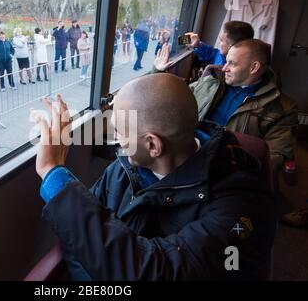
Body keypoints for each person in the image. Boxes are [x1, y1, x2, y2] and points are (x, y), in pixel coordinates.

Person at [30, 74, 277, 280]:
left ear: (152, 145)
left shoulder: (241, 208)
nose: (118, 141)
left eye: (120, 132)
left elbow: (156, 272)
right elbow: (83, 237)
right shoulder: (124, 168)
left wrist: (53, 173)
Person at [153, 39, 298, 173]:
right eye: (226, 61)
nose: (224, 68)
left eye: (232, 63)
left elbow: (272, 158)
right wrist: (158, 71)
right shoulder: (211, 81)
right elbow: (168, 99)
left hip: (223, 171)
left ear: (254, 67)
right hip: (183, 152)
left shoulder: (283, 108)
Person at [186, 21, 254, 66]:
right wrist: (198, 45)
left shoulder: (234, 72)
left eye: (221, 41)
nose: (219, 44)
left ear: (231, 47)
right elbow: (211, 53)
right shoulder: (221, 55)